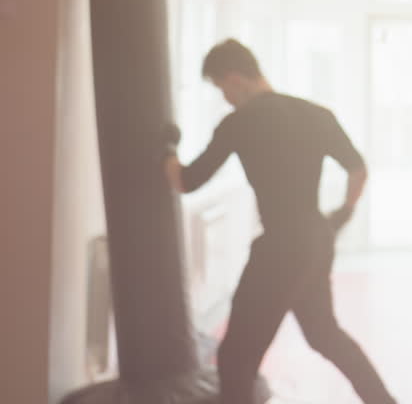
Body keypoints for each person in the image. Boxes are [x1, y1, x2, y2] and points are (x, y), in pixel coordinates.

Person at [163, 39, 396, 404]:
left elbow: (186, 181)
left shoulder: (239, 122)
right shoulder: (316, 113)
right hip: (317, 237)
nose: (226, 98)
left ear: (235, 78)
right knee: (325, 335)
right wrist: (343, 214)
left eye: (223, 88)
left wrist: (168, 149)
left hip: (281, 248)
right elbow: (358, 168)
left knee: (236, 356)